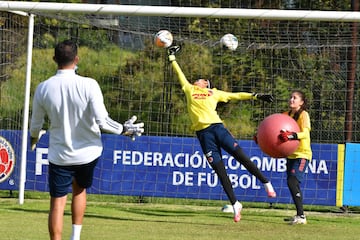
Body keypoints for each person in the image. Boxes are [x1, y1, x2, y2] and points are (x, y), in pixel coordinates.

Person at [30, 39, 144, 240]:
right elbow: (103, 121)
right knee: (79, 190)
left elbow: (35, 125)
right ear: (77, 59)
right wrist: (123, 129)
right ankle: (75, 237)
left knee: (57, 201)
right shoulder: (90, 84)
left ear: (54, 59)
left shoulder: (43, 88)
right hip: (87, 153)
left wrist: (33, 139)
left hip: (59, 155)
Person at [167, 45, 276, 223]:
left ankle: (265, 182)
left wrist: (256, 96)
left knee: (241, 156)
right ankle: (235, 204)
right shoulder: (189, 89)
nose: (198, 80)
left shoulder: (213, 93)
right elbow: (180, 75)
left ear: (206, 85)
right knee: (220, 171)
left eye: (202, 80)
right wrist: (172, 57)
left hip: (218, 128)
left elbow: (236, 96)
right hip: (204, 135)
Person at [278, 90, 312, 225]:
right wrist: (262, 138)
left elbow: (305, 133)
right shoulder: (285, 115)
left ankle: (301, 216)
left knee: (292, 182)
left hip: (302, 154)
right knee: (292, 183)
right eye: (290, 97)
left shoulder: (304, 115)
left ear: (301, 102)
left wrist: (291, 136)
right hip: (290, 155)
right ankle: (299, 215)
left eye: (295, 98)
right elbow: (275, 130)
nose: (291, 100)